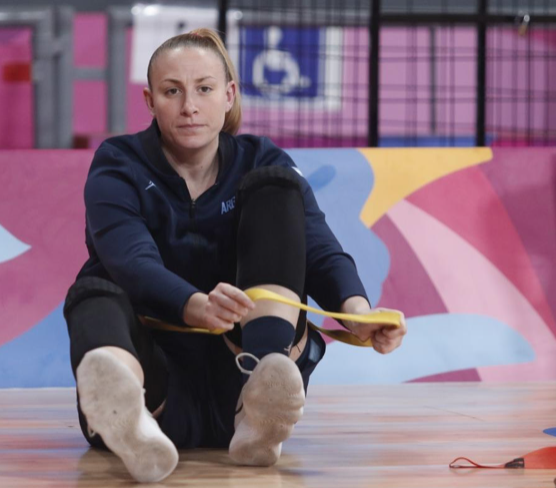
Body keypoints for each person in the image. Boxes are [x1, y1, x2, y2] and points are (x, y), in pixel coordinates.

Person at [63, 28, 407, 483]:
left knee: (276, 189)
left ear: (228, 96)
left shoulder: (263, 159)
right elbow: (131, 262)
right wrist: (196, 305)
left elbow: (319, 247)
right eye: (172, 91)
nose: (189, 106)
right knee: (93, 293)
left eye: (204, 89)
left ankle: (262, 392)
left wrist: (358, 312)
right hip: (160, 384)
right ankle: (130, 419)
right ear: (150, 101)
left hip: (237, 370)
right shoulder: (117, 161)